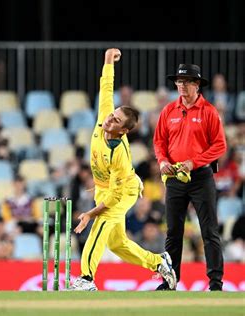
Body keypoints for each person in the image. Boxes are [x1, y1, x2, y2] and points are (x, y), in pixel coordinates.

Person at [69, 48, 176, 291]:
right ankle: (159, 262)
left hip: (122, 192)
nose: (109, 120)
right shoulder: (103, 119)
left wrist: (89, 214)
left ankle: (86, 279)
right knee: (117, 244)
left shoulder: (120, 155)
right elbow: (106, 88)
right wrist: (108, 61)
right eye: (113, 115)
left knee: (100, 225)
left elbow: (113, 199)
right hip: (106, 189)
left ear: (124, 131)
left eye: (116, 120)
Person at [153, 63, 227, 291]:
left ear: (197, 85)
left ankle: (215, 283)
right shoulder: (168, 111)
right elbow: (159, 142)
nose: (181, 86)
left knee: (209, 231)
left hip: (201, 177)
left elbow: (220, 145)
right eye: (178, 82)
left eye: (186, 82)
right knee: (173, 232)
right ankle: (170, 281)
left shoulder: (209, 111)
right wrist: (163, 161)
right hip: (175, 177)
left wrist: (194, 162)